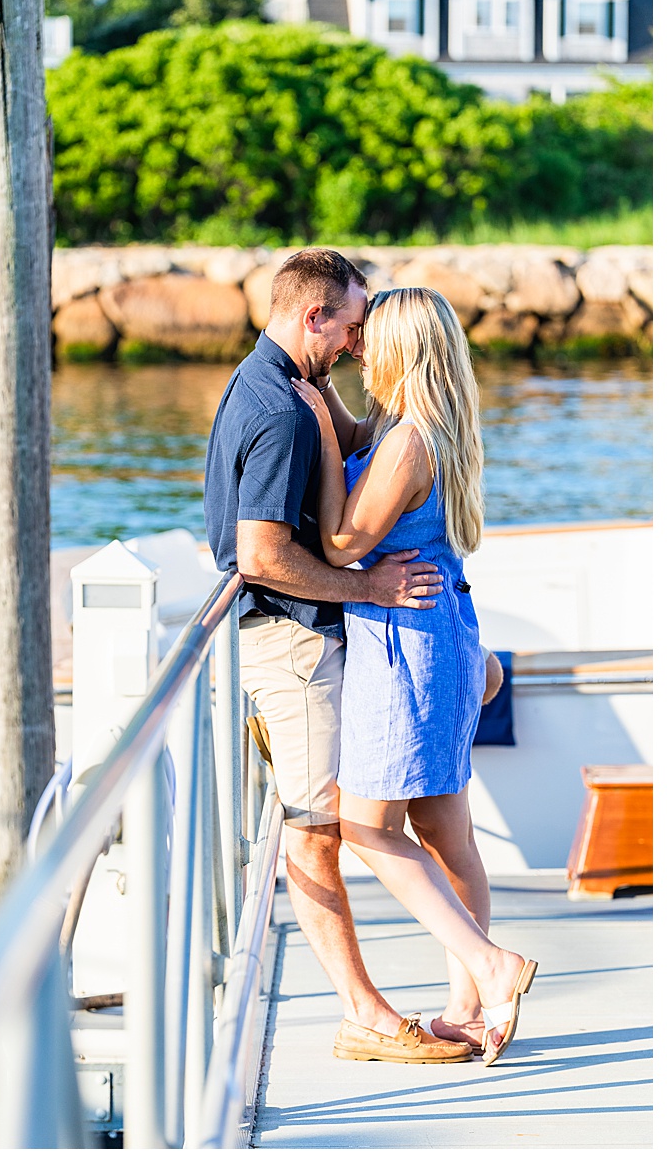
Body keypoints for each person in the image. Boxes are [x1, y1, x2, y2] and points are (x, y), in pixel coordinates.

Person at [202, 248, 469, 1064]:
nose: (358, 345)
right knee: (321, 832)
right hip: (293, 644)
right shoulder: (285, 409)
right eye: (352, 327)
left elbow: (349, 458)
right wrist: (370, 590)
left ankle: (439, 993)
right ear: (313, 316)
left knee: (356, 824)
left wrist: (329, 419)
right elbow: (260, 555)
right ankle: (370, 1014)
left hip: (307, 641)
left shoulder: (279, 388)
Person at [291, 286, 536, 1066]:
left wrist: (324, 439)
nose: (358, 346)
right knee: (445, 833)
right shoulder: (425, 426)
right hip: (441, 637)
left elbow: (336, 542)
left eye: (371, 338)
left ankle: (494, 967)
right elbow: (365, 458)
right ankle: (469, 1010)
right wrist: (326, 395)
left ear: (400, 350)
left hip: (408, 649)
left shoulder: (406, 445)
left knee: (367, 827)